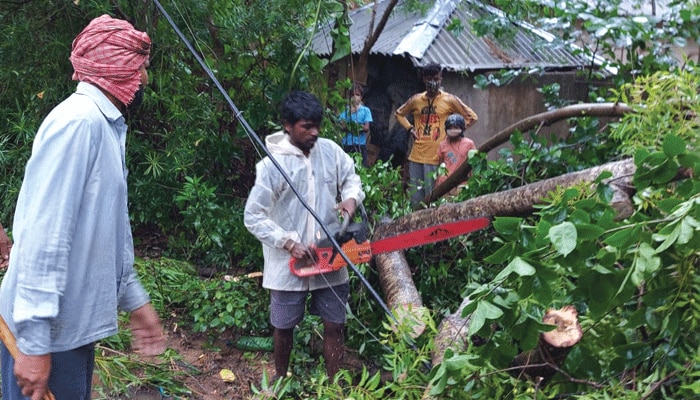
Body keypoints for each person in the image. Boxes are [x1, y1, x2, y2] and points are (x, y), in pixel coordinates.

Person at [0, 15, 166, 400]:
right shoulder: (78, 125)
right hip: (48, 338)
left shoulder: (105, 126)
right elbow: (45, 238)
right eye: (139, 67)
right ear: (116, 67)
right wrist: (36, 344)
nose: (143, 80)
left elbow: (107, 233)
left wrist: (134, 300)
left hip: (69, 331)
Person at [244, 91, 365, 380]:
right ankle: (281, 378)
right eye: (307, 126)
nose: (315, 132)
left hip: (330, 253)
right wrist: (287, 242)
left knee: (334, 324)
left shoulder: (331, 151)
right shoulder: (272, 166)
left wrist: (351, 198)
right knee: (283, 326)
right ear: (287, 125)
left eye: (317, 126)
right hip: (288, 263)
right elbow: (253, 215)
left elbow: (351, 178)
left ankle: (334, 385)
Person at [395, 62, 478, 206]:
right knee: (415, 199)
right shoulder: (416, 100)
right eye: (429, 78)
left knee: (433, 198)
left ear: (441, 78)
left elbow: (472, 117)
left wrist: (454, 133)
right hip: (416, 156)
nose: (432, 82)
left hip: (436, 157)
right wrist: (410, 129)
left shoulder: (449, 100)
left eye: (436, 78)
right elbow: (399, 114)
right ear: (423, 79)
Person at [436, 114, 477, 194]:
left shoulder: (469, 144)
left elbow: (474, 163)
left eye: (456, 128)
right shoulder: (442, 145)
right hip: (445, 183)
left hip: (462, 182)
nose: (453, 130)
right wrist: (438, 184)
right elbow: (440, 164)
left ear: (462, 129)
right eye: (450, 128)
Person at [338, 84, 373, 167]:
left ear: (361, 97)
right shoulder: (345, 110)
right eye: (352, 95)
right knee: (344, 167)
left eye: (357, 95)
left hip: (359, 144)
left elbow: (366, 127)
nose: (355, 97)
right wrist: (351, 114)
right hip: (346, 144)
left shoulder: (365, 110)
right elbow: (341, 126)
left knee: (361, 168)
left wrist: (352, 125)